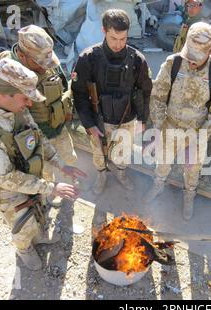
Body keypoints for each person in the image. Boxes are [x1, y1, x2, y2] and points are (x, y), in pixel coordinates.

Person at [0, 58, 86, 270]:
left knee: (38, 212)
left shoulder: (16, 107)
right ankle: (24, 249)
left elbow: (37, 137)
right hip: (6, 191)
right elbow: (8, 179)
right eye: (25, 98)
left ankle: (38, 237)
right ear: (4, 94)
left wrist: (59, 164)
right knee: (21, 223)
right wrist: (51, 187)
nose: (30, 104)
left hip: (31, 175)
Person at [146, 22, 211, 220]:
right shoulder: (172, 63)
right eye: (189, 57)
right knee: (162, 162)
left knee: (192, 169)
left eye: (197, 59)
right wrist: (158, 128)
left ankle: (189, 196)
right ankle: (158, 186)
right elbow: (157, 97)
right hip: (169, 126)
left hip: (197, 132)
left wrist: (197, 142)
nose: (191, 63)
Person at [71, 8, 153, 194]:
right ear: (104, 31)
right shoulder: (88, 58)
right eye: (113, 38)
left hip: (127, 119)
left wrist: (142, 119)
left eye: (123, 39)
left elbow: (145, 91)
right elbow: (79, 94)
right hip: (100, 119)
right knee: (99, 152)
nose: (118, 44)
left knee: (124, 152)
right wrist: (89, 124)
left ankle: (121, 174)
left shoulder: (137, 60)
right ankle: (102, 175)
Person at [0, 25, 77, 208]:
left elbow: (62, 86)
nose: (45, 66)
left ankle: (69, 191)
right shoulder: (7, 74)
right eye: (39, 62)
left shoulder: (46, 60)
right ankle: (49, 196)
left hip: (57, 127)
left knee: (69, 160)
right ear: (23, 56)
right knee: (44, 171)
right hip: (33, 137)